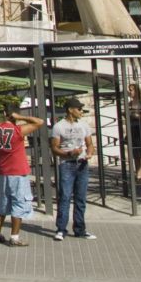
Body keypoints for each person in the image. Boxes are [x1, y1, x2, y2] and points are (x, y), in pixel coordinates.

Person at [0, 102, 43, 246]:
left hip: (3, 171)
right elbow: (40, 122)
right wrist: (20, 117)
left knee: (3, 203)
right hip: (18, 172)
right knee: (19, 203)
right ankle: (14, 237)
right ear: (14, 114)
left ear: (4, 113)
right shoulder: (17, 130)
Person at [51, 97, 96, 241]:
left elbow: (90, 144)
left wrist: (89, 153)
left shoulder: (84, 125)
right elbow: (54, 148)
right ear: (70, 110)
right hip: (67, 164)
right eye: (79, 109)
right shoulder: (59, 126)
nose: (81, 111)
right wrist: (69, 153)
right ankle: (61, 229)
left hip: (82, 164)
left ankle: (80, 229)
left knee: (81, 197)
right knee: (64, 196)